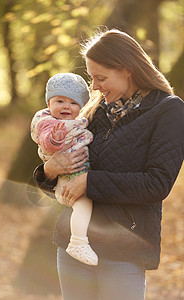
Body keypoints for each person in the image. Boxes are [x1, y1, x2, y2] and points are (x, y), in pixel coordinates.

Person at [33, 28, 184, 300]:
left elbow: (157, 183)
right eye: (92, 78)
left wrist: (89, 183)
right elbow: (69, 174)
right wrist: (48, 171)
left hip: (124, 249)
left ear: (127, 70)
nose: (95, 87)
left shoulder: (169, 110)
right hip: (73, 244)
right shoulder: (95, 110)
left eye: (100, 78)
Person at [31, 73, 98, 266]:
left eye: (73, 103)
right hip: (69, 178)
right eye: (60, 101)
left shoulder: (79, 121)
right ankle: (78, 241)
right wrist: (55, 138)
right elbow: (45, 140)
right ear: (49, 103)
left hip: (73, 173)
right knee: (84, 204)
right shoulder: (48, 122)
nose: (66, 107)